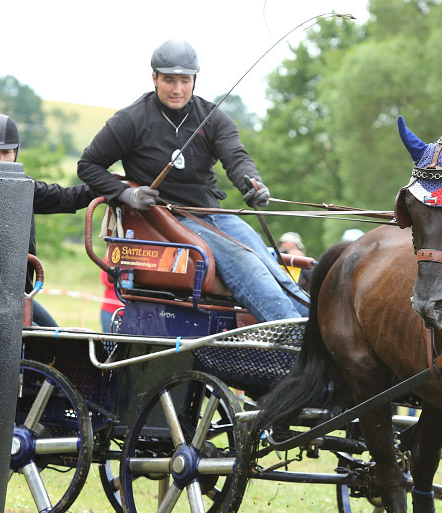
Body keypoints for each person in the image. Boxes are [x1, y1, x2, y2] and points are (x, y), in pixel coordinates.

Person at [77, 39, 308, 322]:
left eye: (184, 81)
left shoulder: (212, 117)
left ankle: (316, 334)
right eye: (169, 80)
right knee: (247, 261)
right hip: (166, 220)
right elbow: (88, 165)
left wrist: (252, 183)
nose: (177, 89)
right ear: (154, 78)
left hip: (213, 214)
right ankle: (291, 335)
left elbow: (236, 157)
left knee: (272, 265)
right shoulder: (130, 120)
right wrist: (126, 195)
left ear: (194, 80)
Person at [0, 113, 95, 327]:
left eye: (6, 153)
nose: (1, 161)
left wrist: (112, 187)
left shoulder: (25, 188)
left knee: (57, 340)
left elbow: (67, 197)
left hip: (19, 295)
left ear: (16, 153)